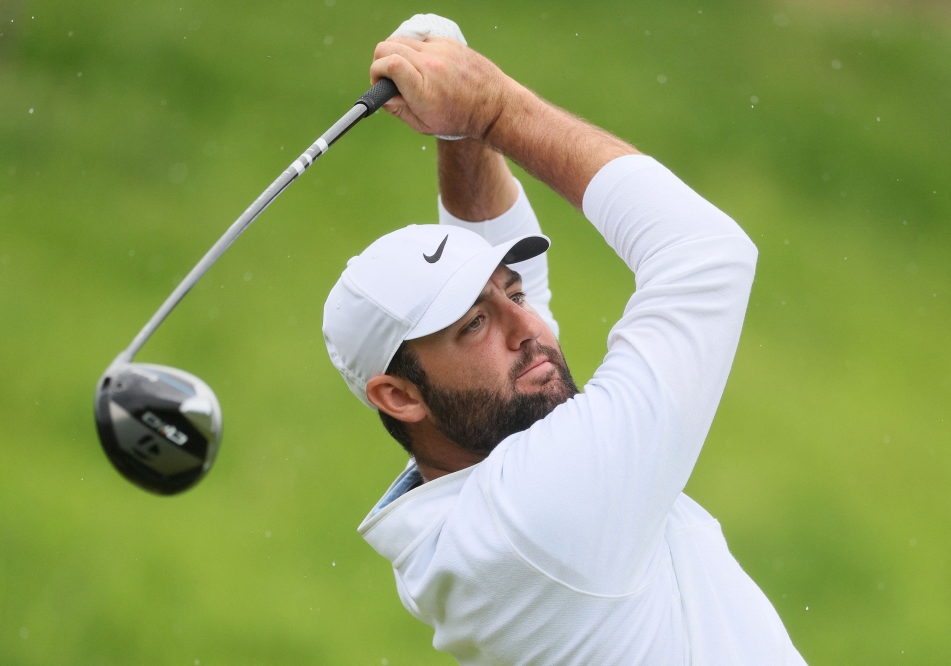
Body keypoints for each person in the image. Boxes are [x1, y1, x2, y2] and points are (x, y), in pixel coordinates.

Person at [322, 14, 807, 666]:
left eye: (511, 294)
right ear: (401, 396)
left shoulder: (471, 474)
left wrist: (457, 134)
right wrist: (491, 107)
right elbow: (706, 254)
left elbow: (493, 250)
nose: (530, 330)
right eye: (474, 324)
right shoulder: (538, 514)